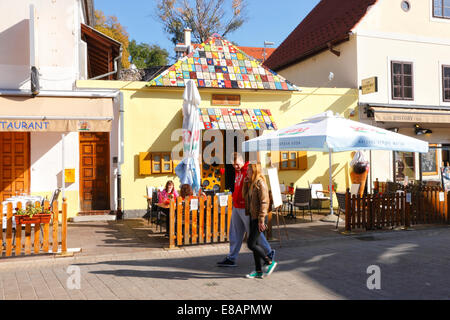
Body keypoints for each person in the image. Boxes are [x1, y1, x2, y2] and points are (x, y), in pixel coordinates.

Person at [217, 153, 274, 267]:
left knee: (254, 234)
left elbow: (259, 194)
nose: (235, 167)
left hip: (246, 208)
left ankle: (268, 252)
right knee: (235, 233)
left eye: (237, 164)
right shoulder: (238, 172)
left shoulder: (249, 171)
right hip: (237, 206)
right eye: (233, 165)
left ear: (241, 160)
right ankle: (232, 258)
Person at [243, 163, 277, 279]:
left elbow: (264, 203)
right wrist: (245, 183)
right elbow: (245, 196)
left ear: (254, 171)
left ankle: (268, 261)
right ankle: (258, 271)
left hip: (260, 218)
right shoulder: (252, 183)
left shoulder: (260, 183)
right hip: (253, 217)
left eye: (248, 171)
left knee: (250, 244)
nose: (246, 172)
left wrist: (261, 220)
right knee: (255, 244)